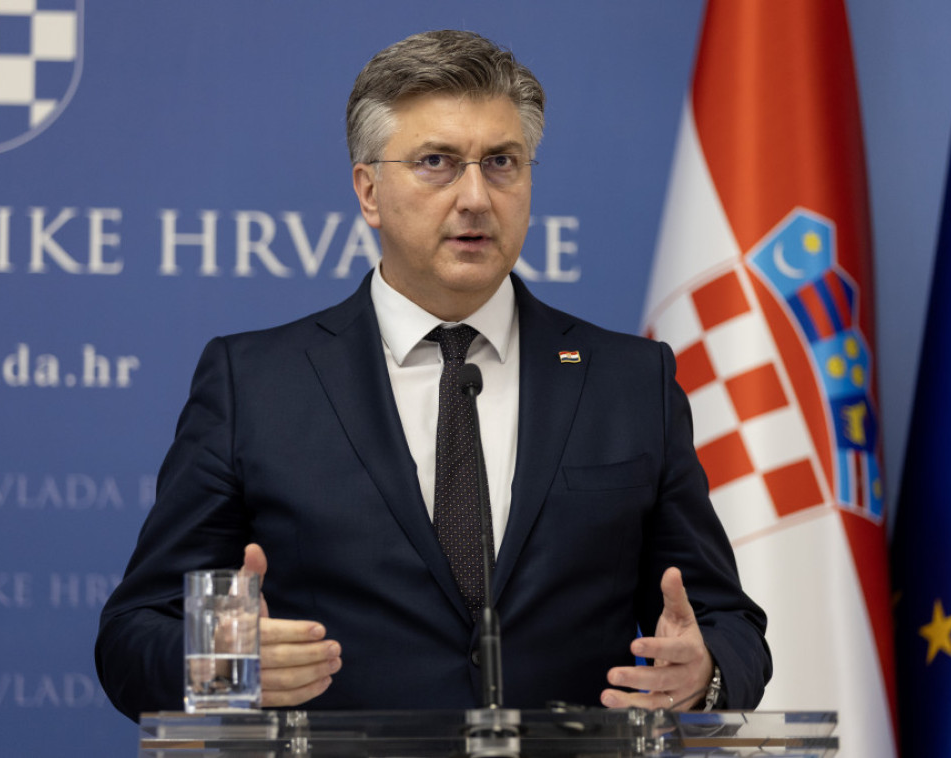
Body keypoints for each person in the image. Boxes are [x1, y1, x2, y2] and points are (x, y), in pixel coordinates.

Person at [95, 29, 771, 723]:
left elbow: (727, 621)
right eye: (436, 163)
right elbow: (134, 632)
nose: (475, 196)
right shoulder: (256, 386)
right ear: (369, 191)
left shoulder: (629, 382)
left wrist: (705, 672)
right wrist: (226, 662)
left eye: (501, 162)